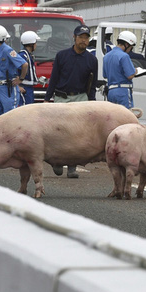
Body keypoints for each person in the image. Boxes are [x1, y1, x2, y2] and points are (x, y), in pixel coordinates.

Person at [44, 24, 98, 178]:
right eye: (80, 37)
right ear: (74, 38)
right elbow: (53, 78)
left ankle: (72, 166)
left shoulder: (92, 60)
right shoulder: (62, 56)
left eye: (86, 38)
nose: (83, 41)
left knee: (77, 134)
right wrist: (47, 99)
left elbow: (93, 84)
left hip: (81, 98)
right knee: (58, 132)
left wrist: (92, 103)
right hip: (62, 97)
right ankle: (57, 162)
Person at [103, 30, 138, 109]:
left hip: (111, 91)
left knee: (113, 117)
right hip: (123, 91)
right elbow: (130, 75)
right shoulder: (124, 56)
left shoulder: (106, 56)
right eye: (131, 48)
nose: (130, 50)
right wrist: (135, 71)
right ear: (126, 44)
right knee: (127, 116)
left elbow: (105, 75)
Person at [17, 31, 40, 106]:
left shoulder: (28, 55)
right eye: (35, 42)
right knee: (24, 111)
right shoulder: (22, 56)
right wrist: (18, 87)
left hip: (28, 88)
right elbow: (13, 71)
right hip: (24, 89)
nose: (36, 45)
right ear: (31, 44)